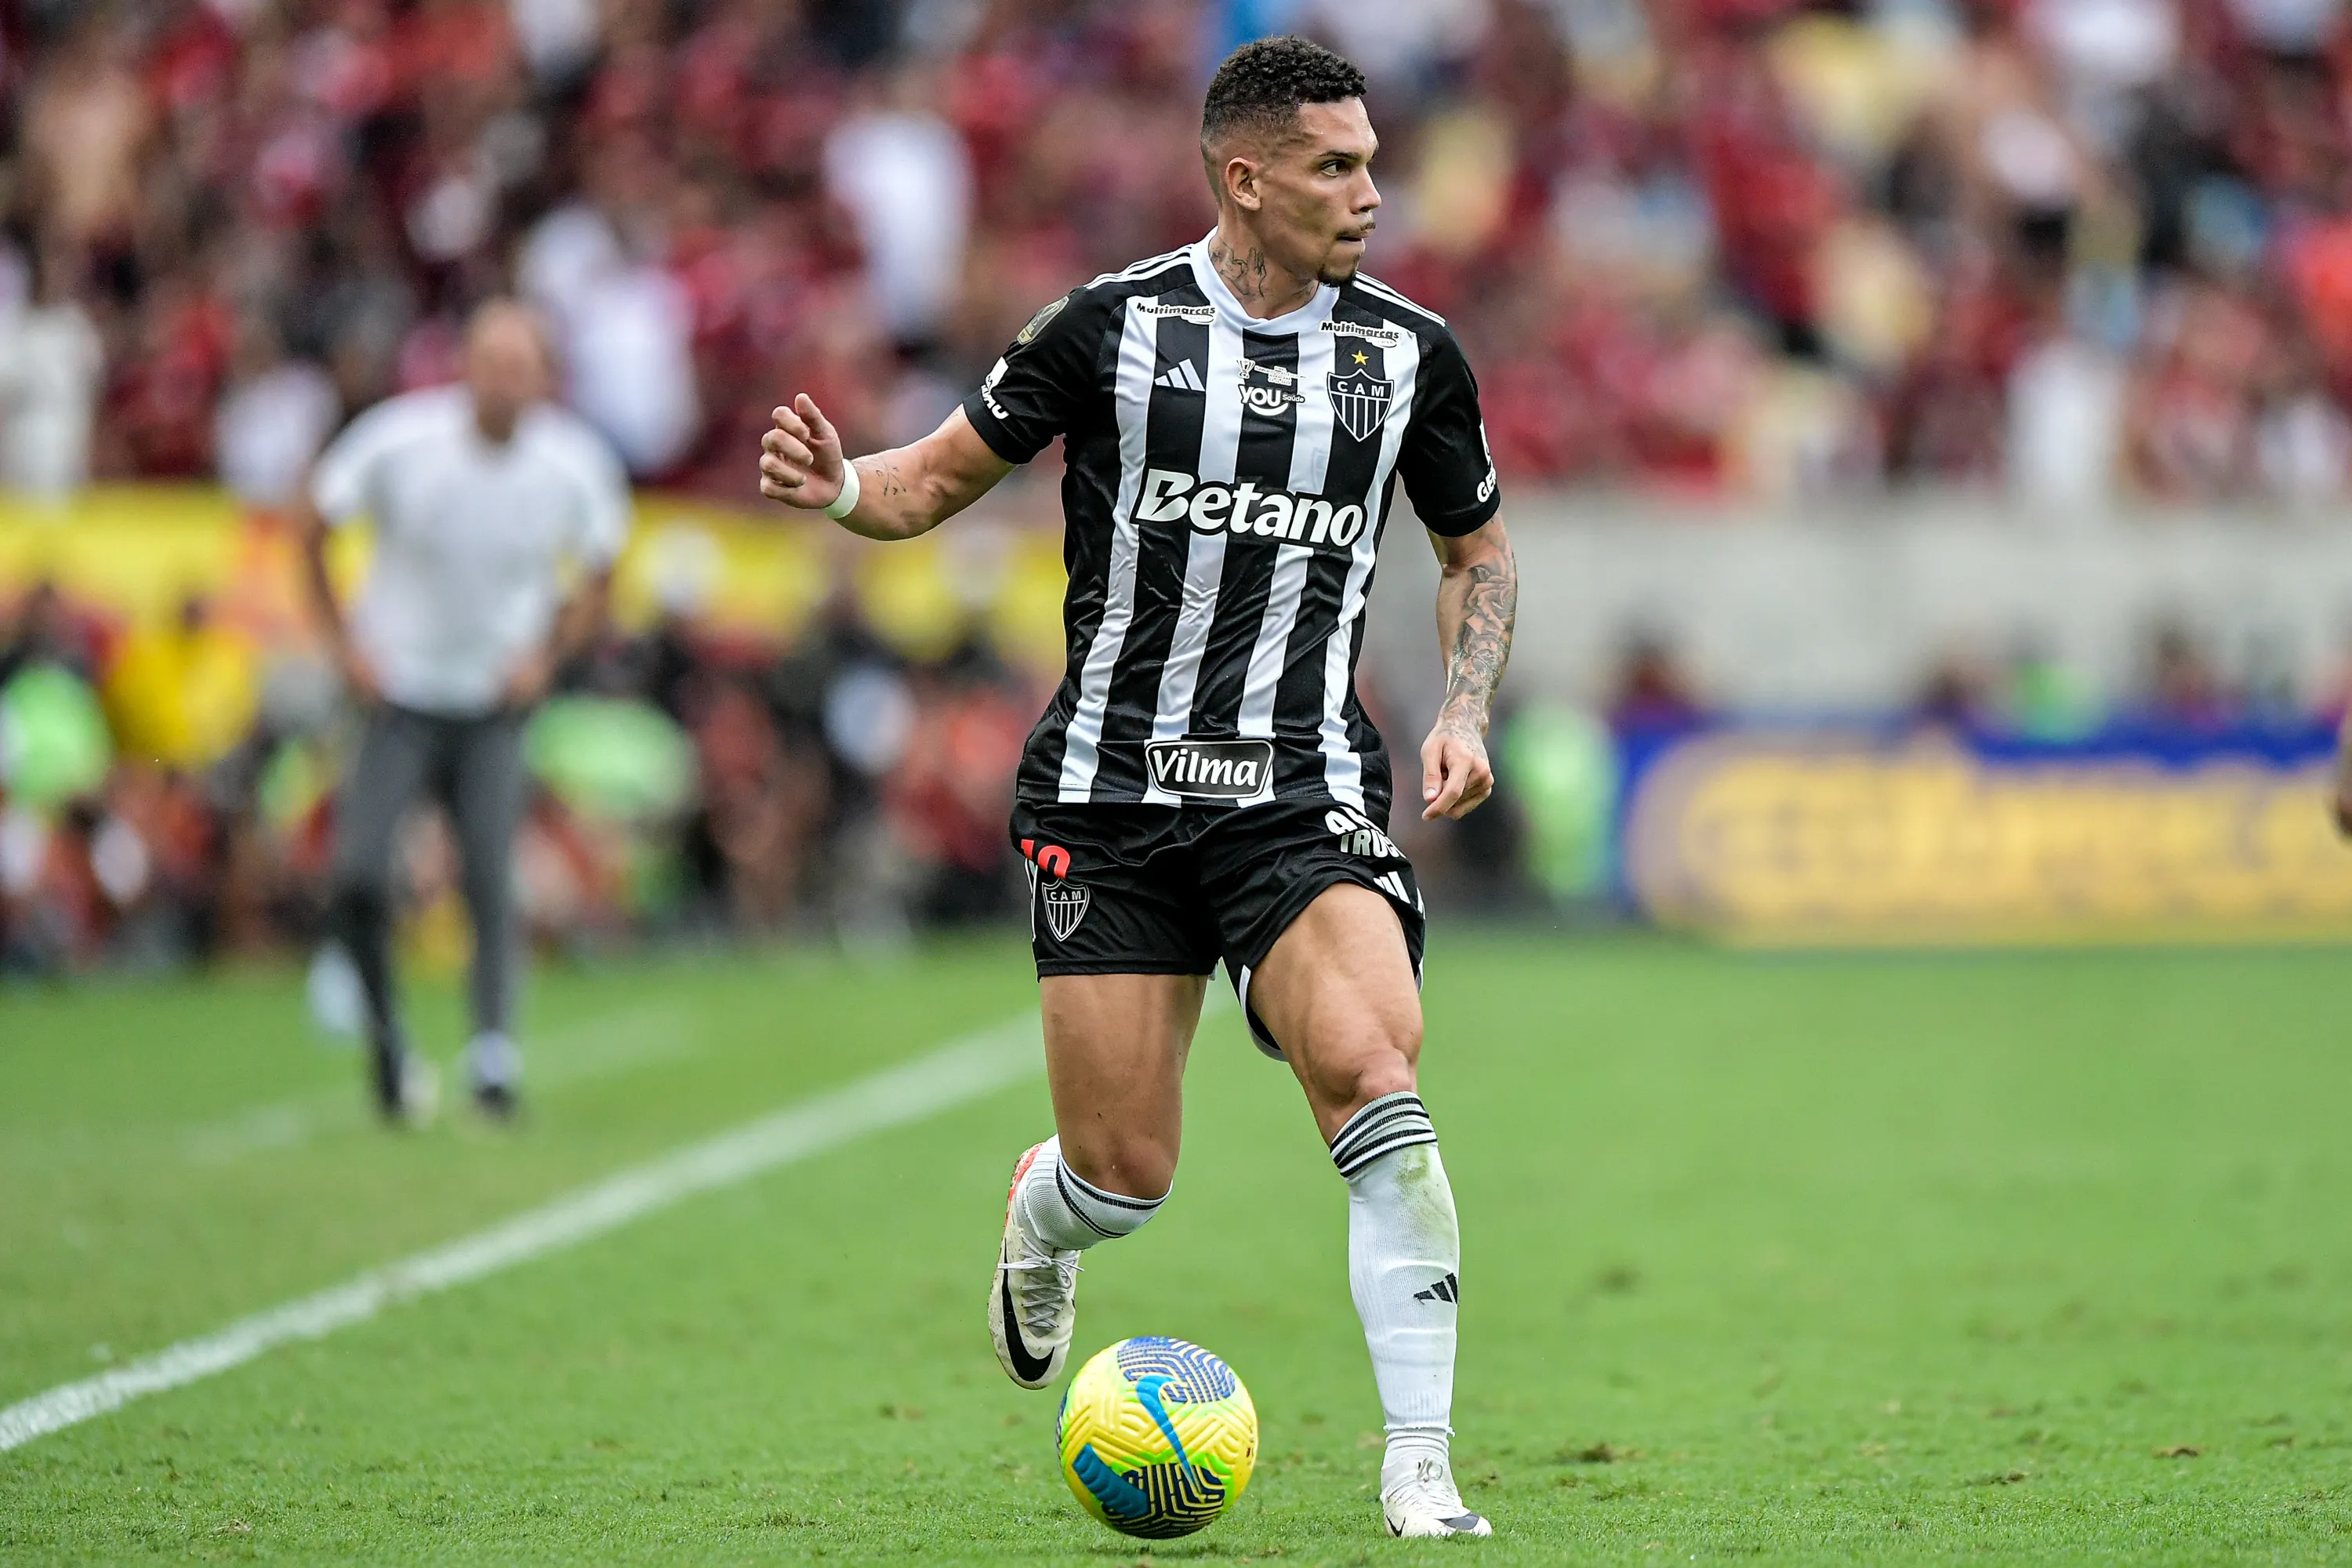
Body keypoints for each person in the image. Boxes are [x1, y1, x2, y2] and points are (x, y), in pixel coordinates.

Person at [757, 37, 1515, 1539]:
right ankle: (1051, 1213)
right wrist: (842, 486)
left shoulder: (1410, 356)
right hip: (1110, 797)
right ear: (1246, 177)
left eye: (1371, 160)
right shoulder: (1109, 330)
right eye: (1336, 166)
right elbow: (928, 484)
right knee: (1127, 1174)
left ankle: (1418, 1463)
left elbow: (1474, 551)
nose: (1372, 189)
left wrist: (1469, 704)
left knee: (1379, 1073)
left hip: (1301, 794)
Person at [298, 299, 630, 1125]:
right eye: (493, 364)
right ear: (464, 366)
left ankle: (492, 1053)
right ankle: (388, 1042)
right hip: (400, 691)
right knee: (361, 874)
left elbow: (601, 568)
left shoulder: (570, 463)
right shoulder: (402, 442)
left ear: (544, 378)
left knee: (489, 874)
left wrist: (546, 658)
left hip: (490, 699)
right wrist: (345, 646)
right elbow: (311, 522)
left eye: (522, 368)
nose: (505, 383)